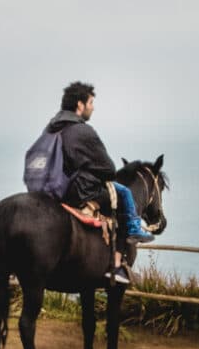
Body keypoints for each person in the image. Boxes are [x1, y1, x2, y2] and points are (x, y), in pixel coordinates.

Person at [42, 80, 154, 285]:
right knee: (122, 195)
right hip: (79, 191)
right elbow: (109, 169)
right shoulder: (83, 131)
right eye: (91, 102)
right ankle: (118, 264)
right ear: (80, 105)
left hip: (52, 189)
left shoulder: (52, 127)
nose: (93, 107)